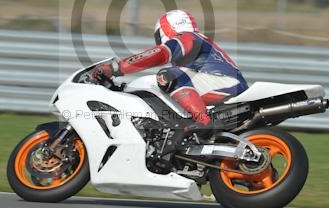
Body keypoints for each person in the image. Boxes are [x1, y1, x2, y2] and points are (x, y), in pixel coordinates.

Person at [91, 10, 248, 138]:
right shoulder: (199, 40)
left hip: (225, 84)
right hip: (227, 83)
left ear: (167, 28)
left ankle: (204, 121)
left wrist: (116, 68)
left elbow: (158, 54)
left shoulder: (187, 37)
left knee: (167, 75)